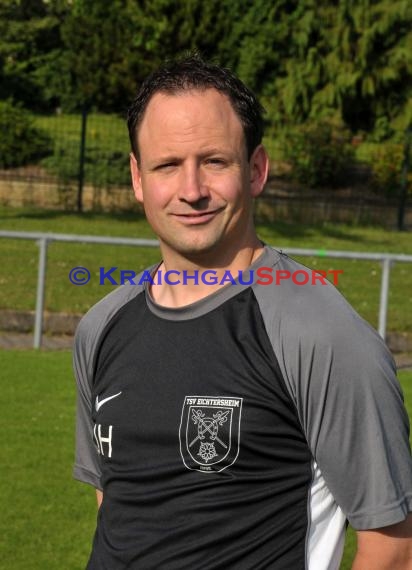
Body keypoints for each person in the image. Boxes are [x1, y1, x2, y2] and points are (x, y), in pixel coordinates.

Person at [73, 55, 412, 570]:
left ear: (255, 170)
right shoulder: (101, 327)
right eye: (167, 165)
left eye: (214, 161)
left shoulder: (320, 334)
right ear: (138, 178)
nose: (191, 190)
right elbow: (118, 502)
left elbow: (395, 546)